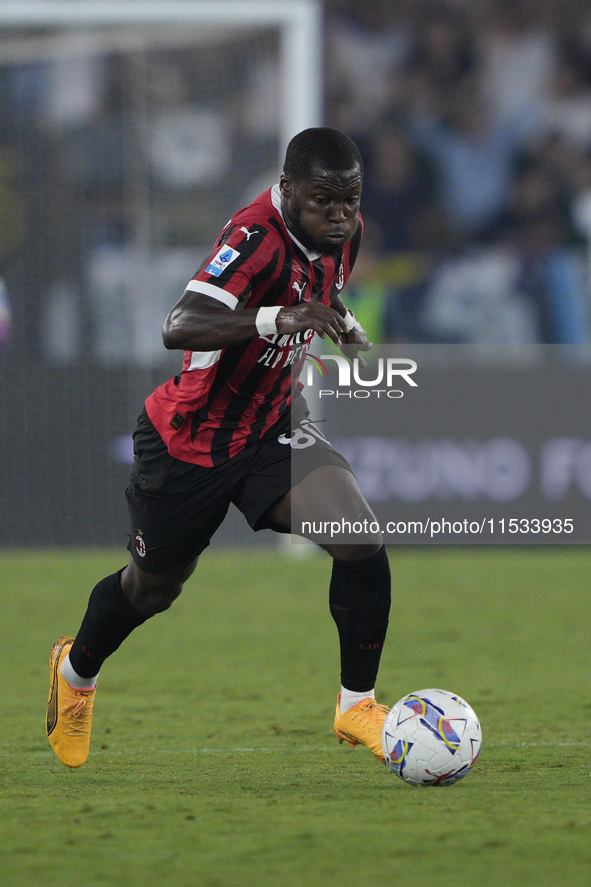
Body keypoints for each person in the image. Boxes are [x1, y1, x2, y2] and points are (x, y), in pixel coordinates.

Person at [46, 127, 392, 769]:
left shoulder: (343, 230)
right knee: (153, 590)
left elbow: (319, 286)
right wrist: (276, 319)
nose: (341, 216)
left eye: (350, 200)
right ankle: (75, 673)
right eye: (324, 202)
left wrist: (337, 318)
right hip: (192, 441)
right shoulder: (254, 239)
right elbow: (178, 324)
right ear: (287, 190)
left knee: (359, 537)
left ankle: (356, 707)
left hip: (272, 424)